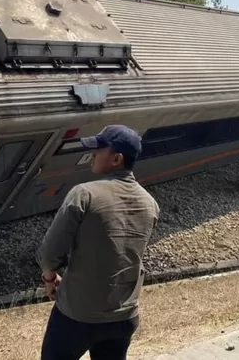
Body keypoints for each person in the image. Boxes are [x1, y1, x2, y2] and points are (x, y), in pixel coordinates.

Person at [38, 125, 160, 360]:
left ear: (116, 158)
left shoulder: (84, 194)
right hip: (124, 316)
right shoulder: (150, 204)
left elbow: (50, 252)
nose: (92, 154)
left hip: (78, 316)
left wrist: (49, 278)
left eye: (99, 150)